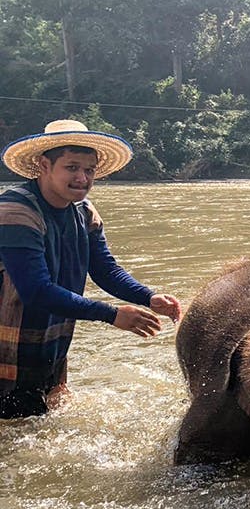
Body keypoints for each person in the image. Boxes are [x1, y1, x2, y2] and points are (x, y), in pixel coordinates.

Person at [0, 119, 182, 418]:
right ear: (44, 165)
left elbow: (105, 270)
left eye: (89, 170)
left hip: (52, 345)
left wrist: (148, 297)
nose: (82, 178)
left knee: (40, 425)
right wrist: (111, 315)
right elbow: (35, 290)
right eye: (72, 167)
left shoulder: (84, 212)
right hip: (8, 352)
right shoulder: (16, 210)